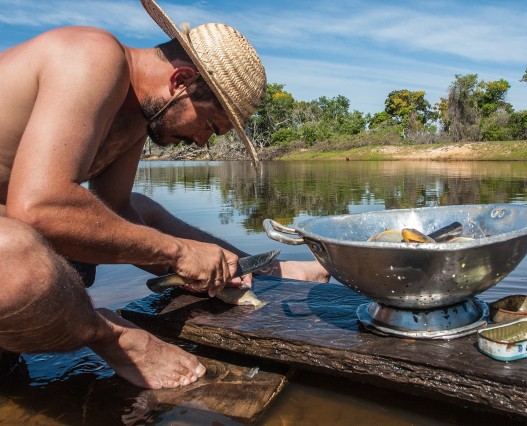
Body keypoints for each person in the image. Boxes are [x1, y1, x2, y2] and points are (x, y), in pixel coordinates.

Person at [0, 0, 328, 389]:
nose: (202, 140)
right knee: (14, 250)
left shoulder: (138, 115)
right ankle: (112, 336)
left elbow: (116, 211)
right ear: (180, 81)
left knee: (141, 210)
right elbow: (38, 208)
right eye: (209, 124)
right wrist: (179, 253)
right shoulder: (91, 54)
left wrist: (201, 268)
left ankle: (254, 270)